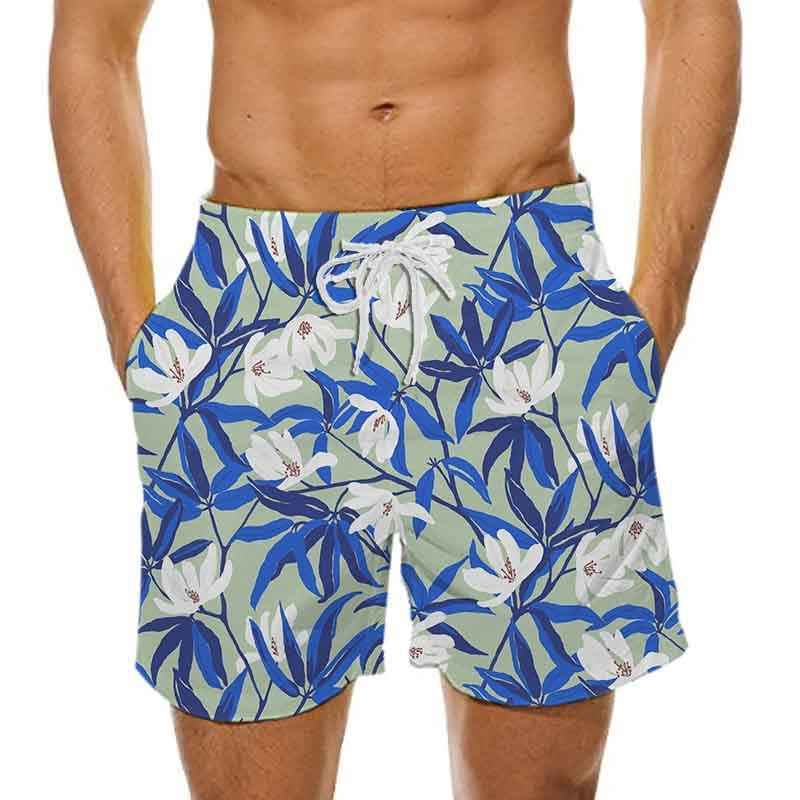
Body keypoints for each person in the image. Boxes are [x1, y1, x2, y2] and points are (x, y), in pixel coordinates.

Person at [50, 1, 741, 798]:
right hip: (259, 297)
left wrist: (661, 299)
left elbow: (690, 11)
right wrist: (133, 334)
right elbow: (93, 36)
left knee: (541, 785)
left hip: (520, 289)